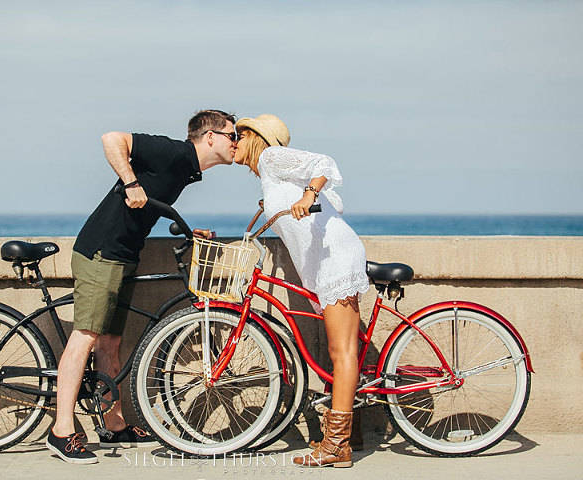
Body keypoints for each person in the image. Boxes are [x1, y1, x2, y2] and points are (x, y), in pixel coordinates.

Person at [46, 109, 238, 464]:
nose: (237, 144)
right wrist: (130, 182)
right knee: (85, 337)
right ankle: (61, 431)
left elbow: (153, 201)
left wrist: (185, 226)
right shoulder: (174, 152)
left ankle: (113, 423)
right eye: (232, 135)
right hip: (102, 251)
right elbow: (112, 139)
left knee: (110, 342)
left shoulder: (186, 171)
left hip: (123, 255)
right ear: (210, 136)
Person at [233, 114, 369, 468]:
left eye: (237, 134)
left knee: (342, 352)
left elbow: (324, 164)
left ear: (253, 137)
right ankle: (349, 431)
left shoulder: (270, 158)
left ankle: (337, 446)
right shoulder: (270, 176)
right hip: (327, 261)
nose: (232, 140)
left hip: (335, 259)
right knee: (345, 350)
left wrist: (309, 193)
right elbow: (333, 205)